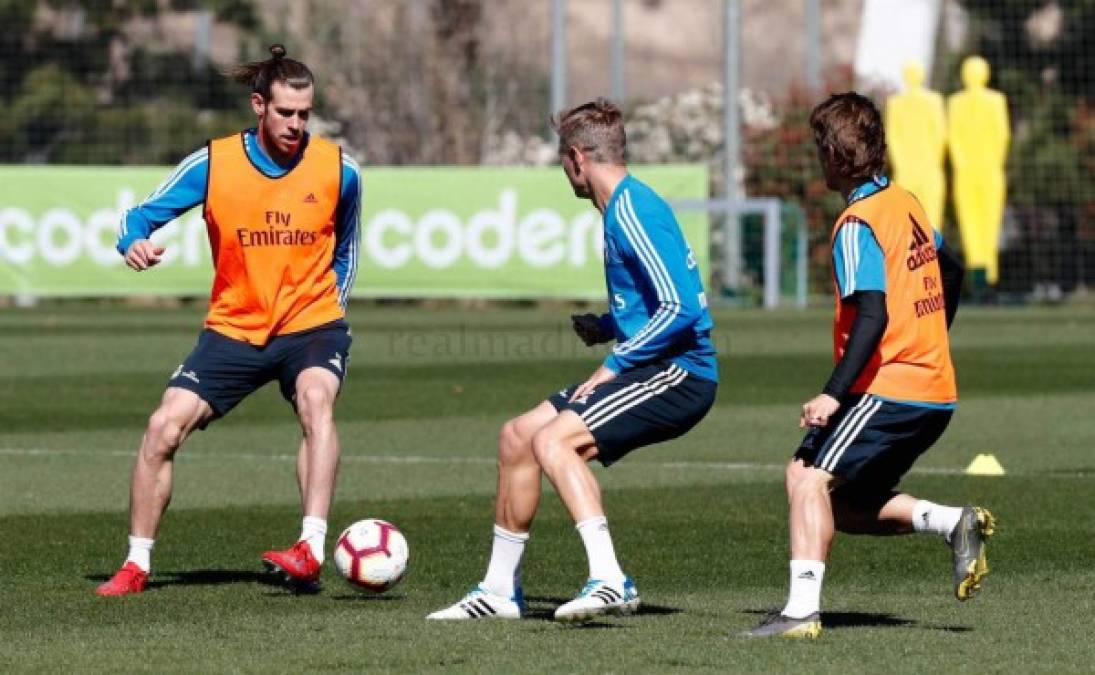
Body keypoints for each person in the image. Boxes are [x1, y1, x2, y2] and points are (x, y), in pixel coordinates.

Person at [428, 99, 719, 623]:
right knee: (517, 437)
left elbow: (682, 307)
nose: (565, 171)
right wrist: (608, 325)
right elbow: (660, 302)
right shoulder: (622, 210)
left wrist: (611, 362)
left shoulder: (632, 210)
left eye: (563, 161)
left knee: (552, 441)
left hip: (680, 373)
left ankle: (611, 579)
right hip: (647, 364)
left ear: (578, 159)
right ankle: (498, 591)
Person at [96, 44, 361, 596]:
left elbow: (347, 248)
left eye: (305, 114)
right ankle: (136, 564)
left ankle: (310, 547)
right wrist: (134, 242)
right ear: (258, 106)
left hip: (311, 324)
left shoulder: (339, 169)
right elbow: (139, 214)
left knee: (317, 403)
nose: (296, 124)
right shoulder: (214, 163)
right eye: (285, 112)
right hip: (234, 328)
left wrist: (332, 307)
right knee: (162, 428)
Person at [747, 92, 994, 638]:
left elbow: (873, 314)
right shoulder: (904, 201)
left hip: (892, 387)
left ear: (835, 157)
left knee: (810, 481)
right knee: (839, 500)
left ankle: (800, 613)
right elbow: (949, 268)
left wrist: (834, 392)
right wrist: (929, 339)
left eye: (820, 148)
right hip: (933, 390)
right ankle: (954, 523)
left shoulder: (856, 223)